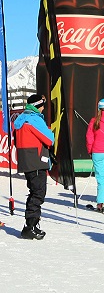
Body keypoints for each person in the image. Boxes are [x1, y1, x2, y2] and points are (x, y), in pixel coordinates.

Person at [14, 94, 54, 239]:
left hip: (26, 160)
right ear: (38, 106)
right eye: (42, 105)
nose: (43, 108)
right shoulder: (34, 119)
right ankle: (30, 227)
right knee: (38, 193)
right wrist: (50, 132)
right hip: (37, 160)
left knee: (34, 192)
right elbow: (49, 140)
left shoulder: (21, 119)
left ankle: (31, 225)